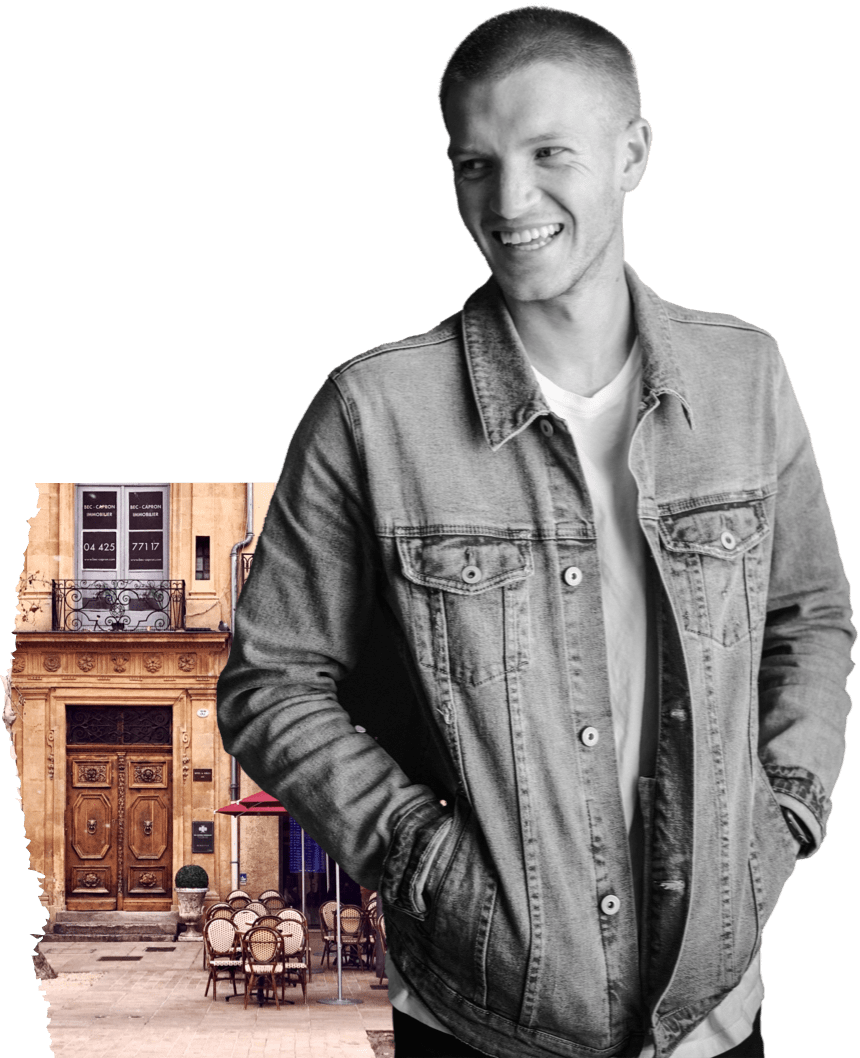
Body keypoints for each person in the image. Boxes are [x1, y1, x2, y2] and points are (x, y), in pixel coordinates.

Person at [216, 8, 853, 1057]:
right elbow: (269, 680)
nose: (508, 202)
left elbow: (811, 615)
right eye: (475, 163)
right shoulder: (373, 411)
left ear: (632, 153)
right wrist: (421, 855)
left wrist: (783, 807)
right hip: (477, 1026)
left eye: (548, 153)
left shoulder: (746, 376)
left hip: (715, 1019)